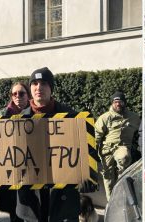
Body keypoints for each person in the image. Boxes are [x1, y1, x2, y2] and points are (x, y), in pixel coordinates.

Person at [16, 67, 97, 221]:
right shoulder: (16, 121)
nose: (39, 87)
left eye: (44, 83)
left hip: (63, 198)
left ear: (51, 88)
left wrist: (89, 176)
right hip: (30, 200)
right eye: (35, 83)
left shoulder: (72, 117)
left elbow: (88, 150)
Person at [95, 91, 140, 201]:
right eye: (115, 101)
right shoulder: (104, 118)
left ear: (125, 103)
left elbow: (140, 132)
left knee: (123, 157)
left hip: (122, 147)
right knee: (108, 177)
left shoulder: (134, 117)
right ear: (111, 103)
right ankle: (111, 201)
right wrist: (92, 153)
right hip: (106, 150)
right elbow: (96, 136)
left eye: (120, 101)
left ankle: (122, 194)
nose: (118, 104)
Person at [0, 82, 31, 222]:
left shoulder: (37, 113)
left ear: (28, 95)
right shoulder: (2, 114)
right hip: (10, 170)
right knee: (14, 209)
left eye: (22, 93)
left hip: (31, 169)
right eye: (14, 94)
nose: (18, 96)